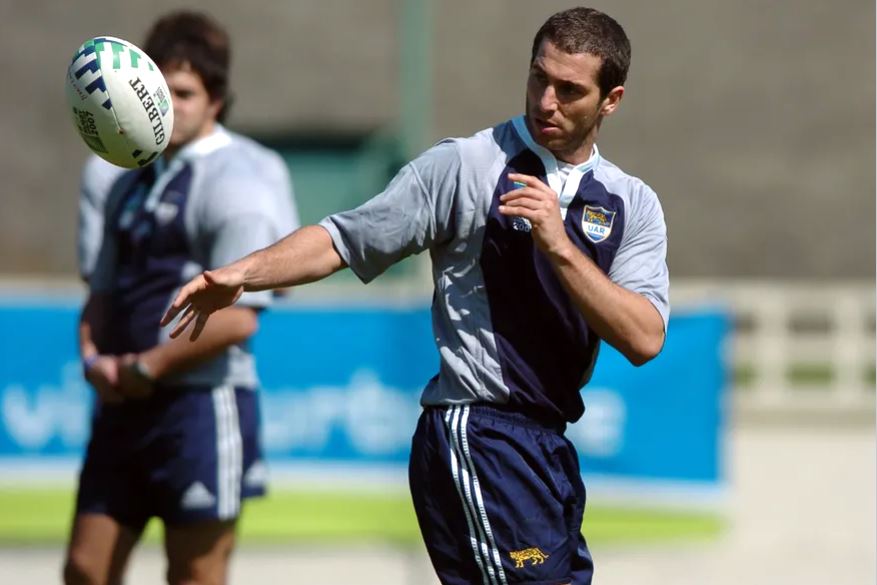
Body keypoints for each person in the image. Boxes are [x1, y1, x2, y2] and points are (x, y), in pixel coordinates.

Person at [163, 7, 668, 585]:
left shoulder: (633, 204)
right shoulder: (467, 166)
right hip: (479, 433)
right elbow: (344, 237)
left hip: (548, 447)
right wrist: (243, 273)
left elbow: (644, 336)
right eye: (538, 77)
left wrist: (559, 247)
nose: (546, 100)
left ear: (612, 100)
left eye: (570, 89)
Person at [65, 10, 299, 585]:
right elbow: (101, 287)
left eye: (183, 93)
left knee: (194, 576)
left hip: (198, 407)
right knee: (83, 571)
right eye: (156, 91)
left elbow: (244, 314)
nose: (165, 107)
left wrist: (149, 365)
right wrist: (95, 358)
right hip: (122, 403)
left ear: (215, 100)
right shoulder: (117, 176)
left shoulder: (243, 175)